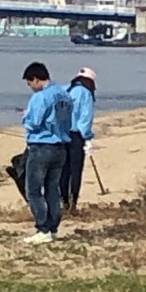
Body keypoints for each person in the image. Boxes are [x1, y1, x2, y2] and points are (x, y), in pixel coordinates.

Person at [21, 62, 73, 244]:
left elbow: (34, 122)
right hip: (61, 147)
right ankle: (53, 227)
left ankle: (43, 228)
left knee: (33, 190)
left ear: (35, 79)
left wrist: (25, 116)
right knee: (53, 188)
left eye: (30, 83)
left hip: (41, 146)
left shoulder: (40, 97)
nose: (31, 88)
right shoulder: (65, 95)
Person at [61, 67, 96, 213]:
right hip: (76, 136)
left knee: (63, 170)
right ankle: (73, 202)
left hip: (61, 134)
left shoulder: (64, 89)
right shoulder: (86, 93)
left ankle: (63, 202)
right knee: (75, 170)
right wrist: (87, 138)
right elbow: (84, 119)